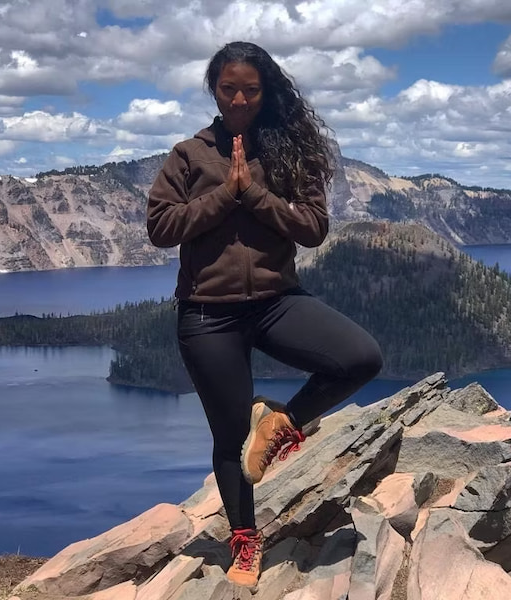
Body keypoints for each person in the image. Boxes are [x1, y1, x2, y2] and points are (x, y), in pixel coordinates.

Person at [146, 41, 383, 589]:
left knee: (360, 358)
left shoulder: (288, 152)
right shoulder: (188, 154)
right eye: (229, 88)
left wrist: (251, 194)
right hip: (208, 313)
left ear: (266, 91)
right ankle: (246, 542)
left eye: (251, 89)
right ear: (214, 89)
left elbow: (312, 228)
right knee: (228, 437)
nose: (239, 99)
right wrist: (223, 196)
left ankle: (283, 423)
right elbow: (160, 229)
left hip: (277, 301)